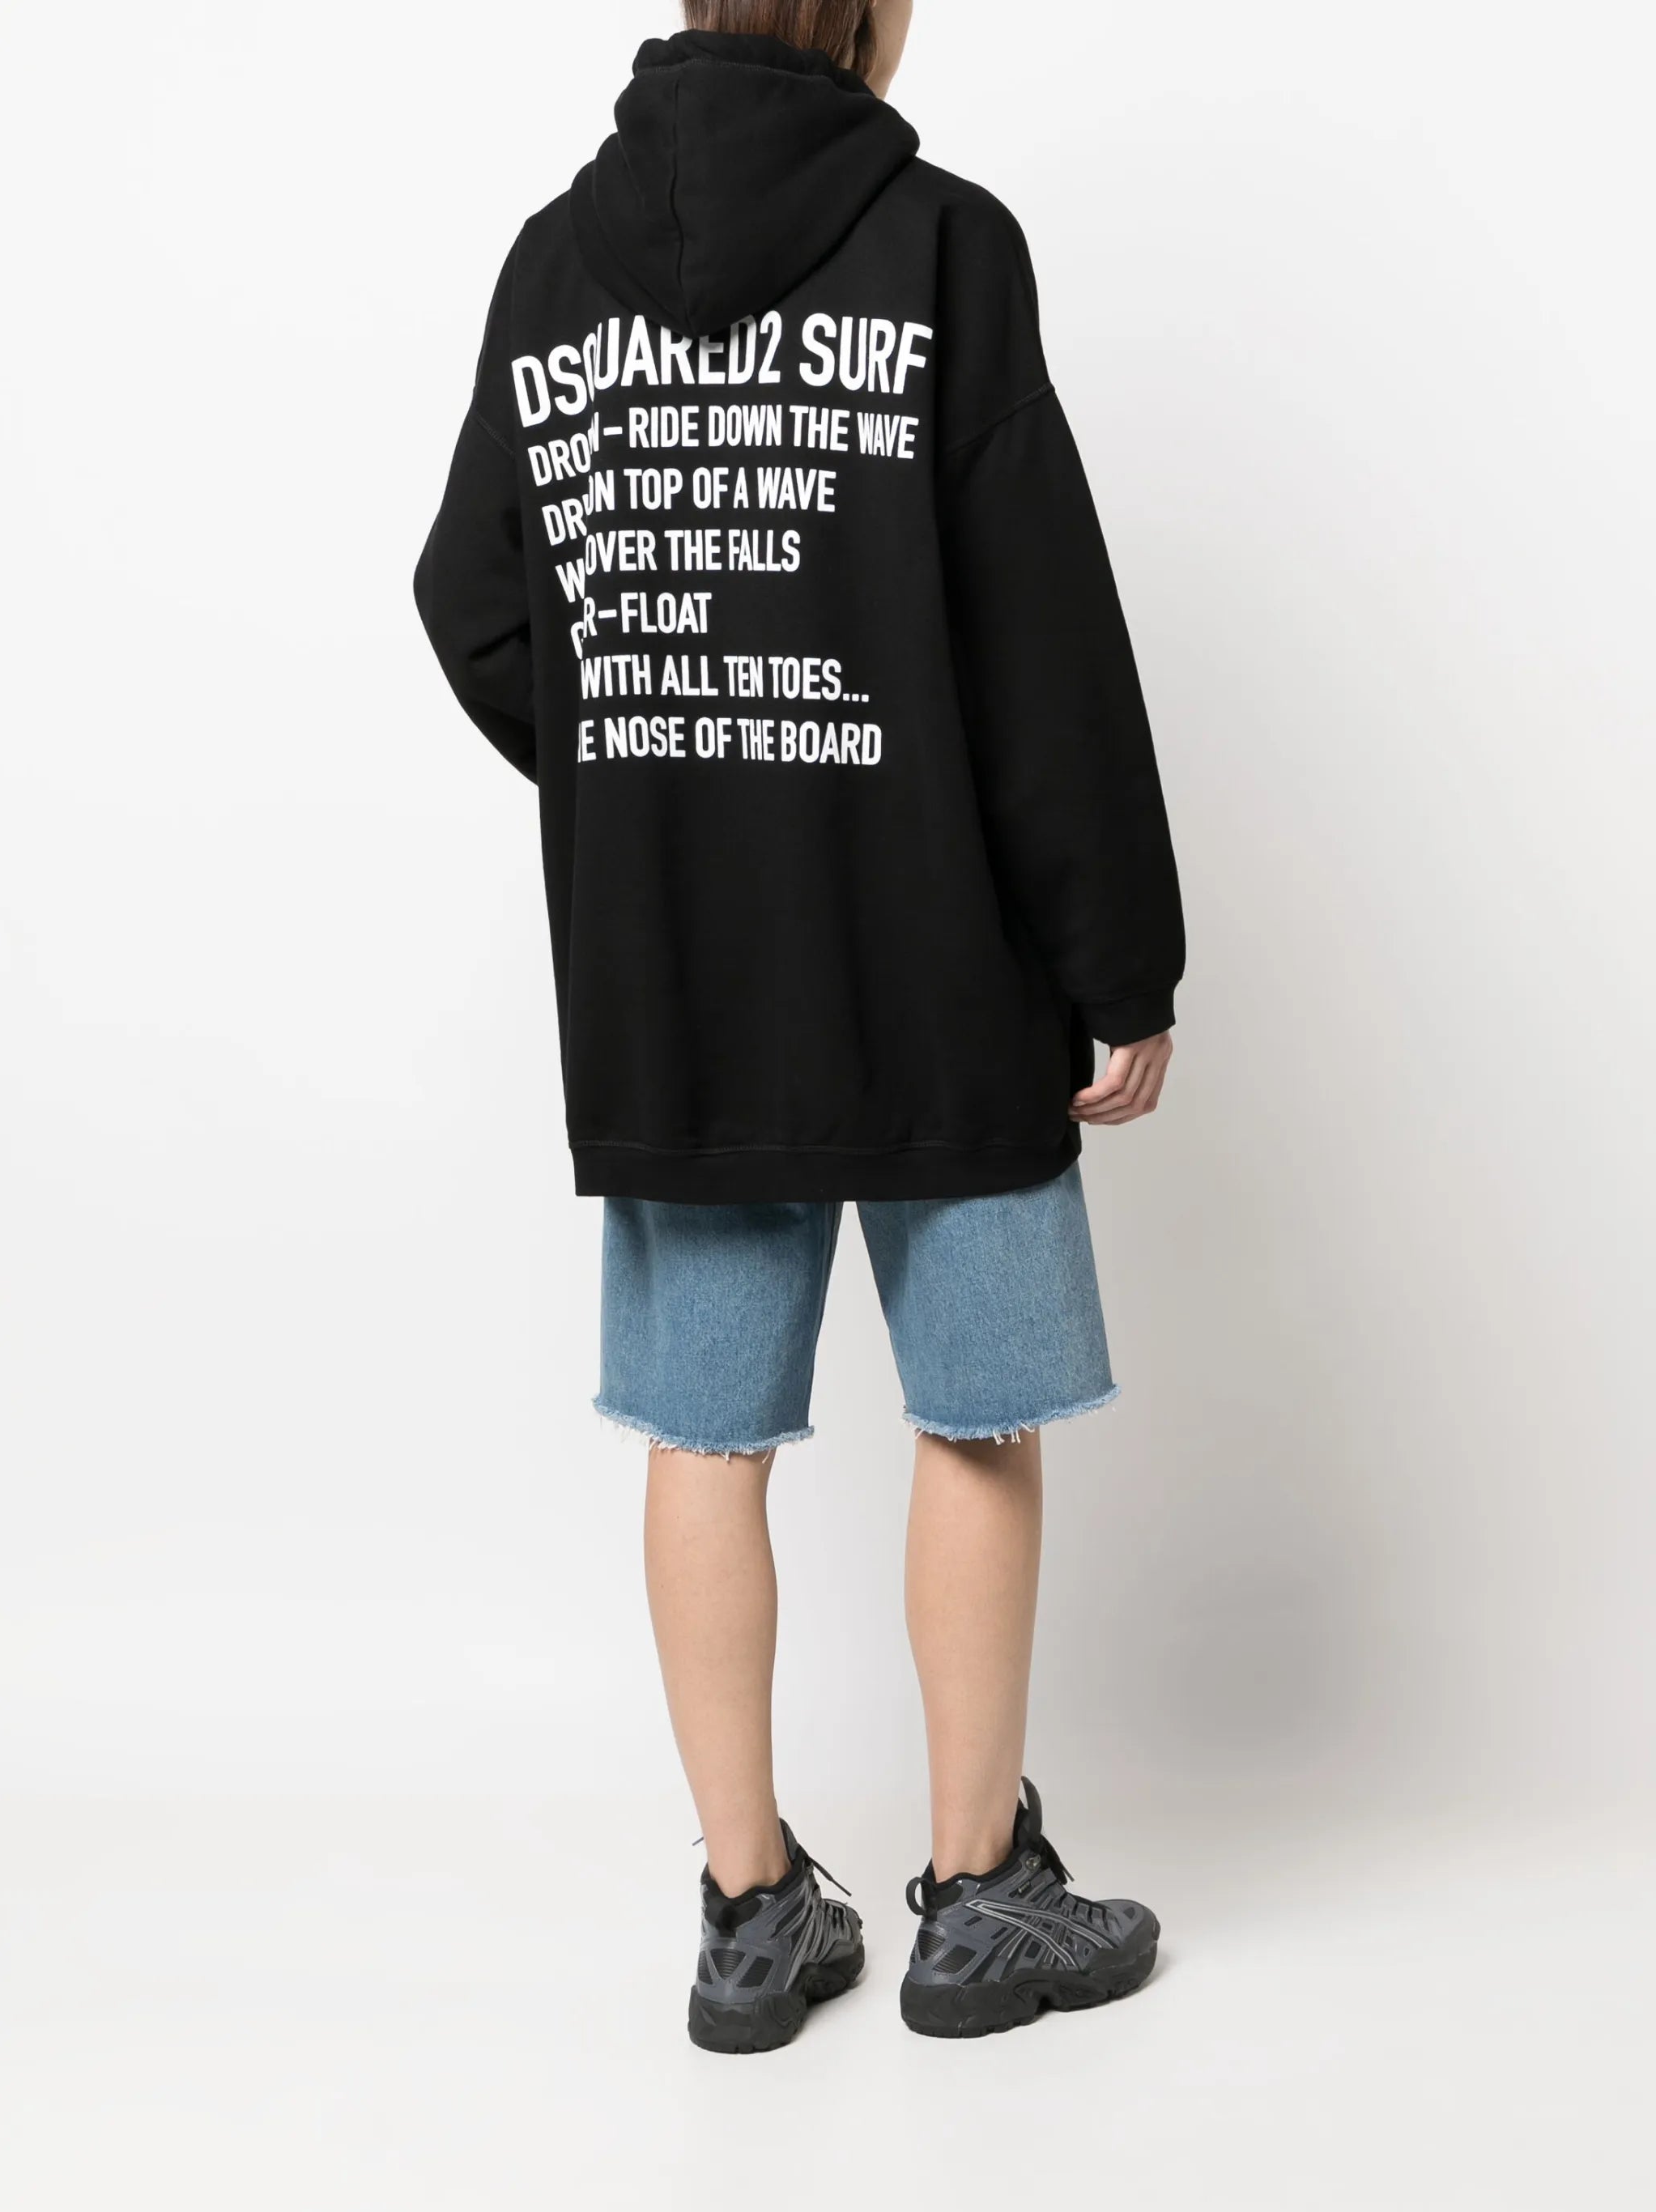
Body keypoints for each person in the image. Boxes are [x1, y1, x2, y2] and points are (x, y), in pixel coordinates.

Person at [415, 0, 1184, 2052]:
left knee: (703, 1434)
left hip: (678, 973)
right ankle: (978, 1898)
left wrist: (652, 785)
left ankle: (749, 1918)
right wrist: (1118, 957)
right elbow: (1039, 634)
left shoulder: (553, 270)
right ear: (865, 13)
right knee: (979, 1412)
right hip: (941, 954)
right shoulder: (943, 247)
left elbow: (473, 601)